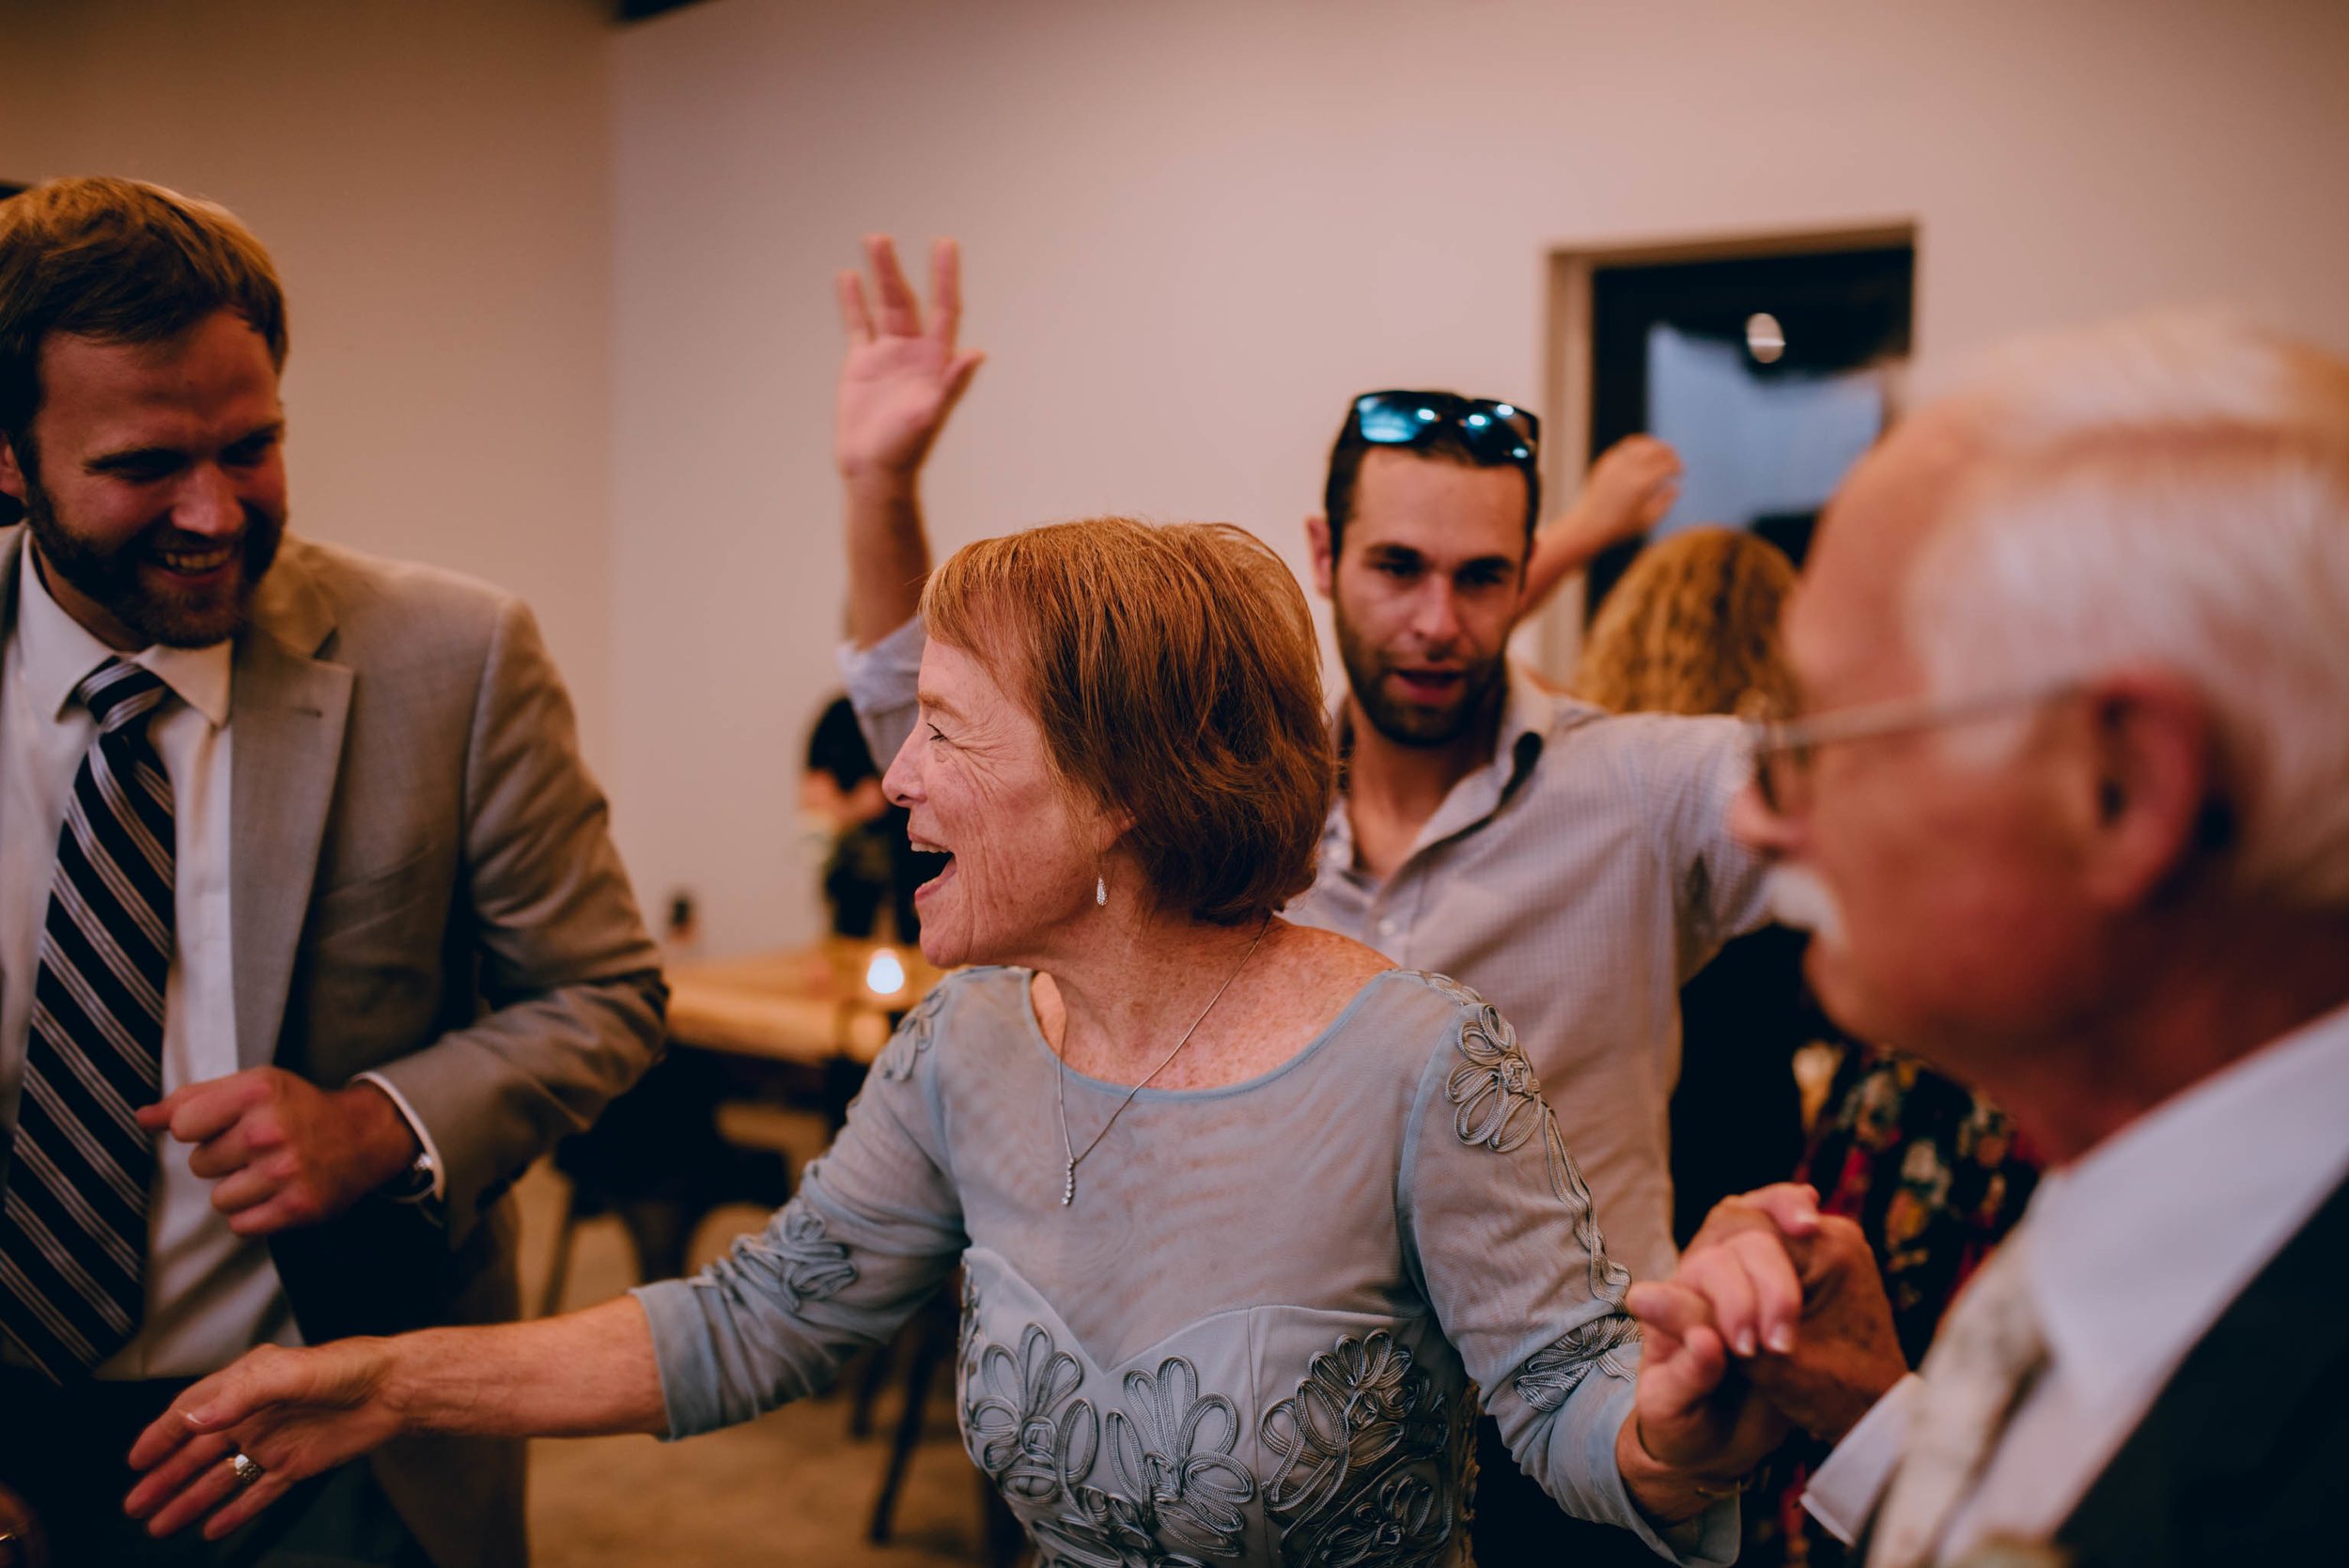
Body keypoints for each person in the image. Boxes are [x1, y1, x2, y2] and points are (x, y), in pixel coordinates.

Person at [125, 514, 1768, 1566]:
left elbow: (1566, 1413)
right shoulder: (965, 1045)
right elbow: (751, 1322)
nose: (895, 780)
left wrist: (1680, 1418)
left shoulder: (1422, 1065)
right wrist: (397, 1383)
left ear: (1126, 792)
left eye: (947, 735)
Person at [828, 235, 1772, 1565]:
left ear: (1526, 573)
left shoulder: (1639, 789)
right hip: (1282, 1447)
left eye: (1484, 578)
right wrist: (881, 480)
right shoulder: (1218, 805)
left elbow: (1853, 791)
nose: (1438, 621)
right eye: (1398, 569)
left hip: (1572, 1427)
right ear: (1326, 554)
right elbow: (907, 706)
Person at [0, 177, 665, 1567]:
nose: (214, 512)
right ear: (10, 458)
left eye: (251, 447)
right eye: (142, 467)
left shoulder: (455, 656)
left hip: (342, 1454)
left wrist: (379, 1122)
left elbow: (604, 989)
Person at [1626, 315, 2349, 1568]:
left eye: (1823, 730)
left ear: (2120, 789)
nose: (1756, 809)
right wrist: (1862, 1406)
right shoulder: (2138, 1220)